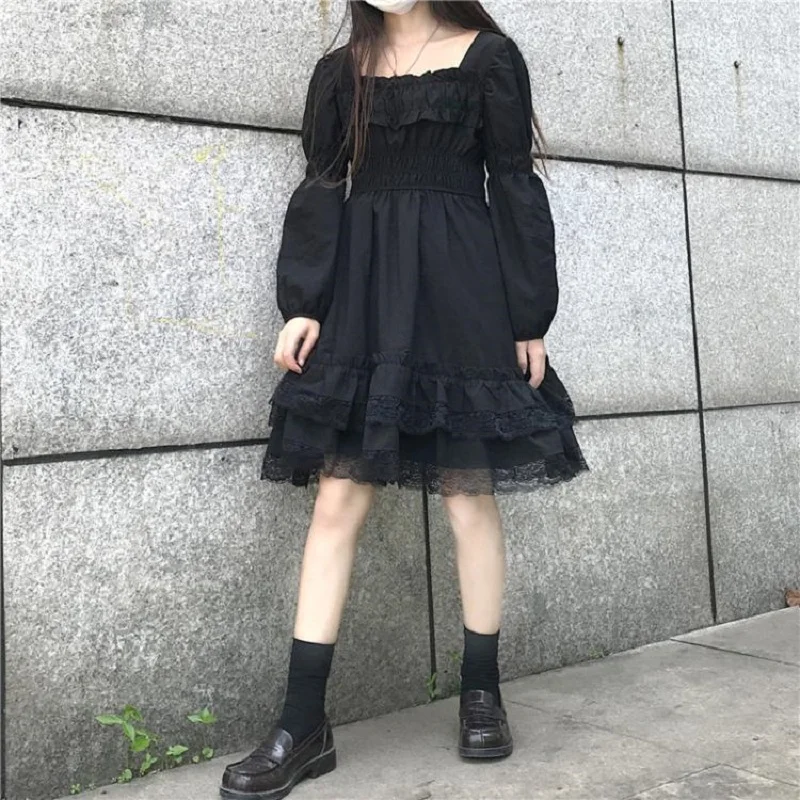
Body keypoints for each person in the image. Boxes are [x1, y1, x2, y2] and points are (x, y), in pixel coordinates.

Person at [220, 1, 589, 797]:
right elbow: (323, 186)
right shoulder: (338, 73)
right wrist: (303, 303)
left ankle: (482, 692)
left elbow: (513, 184)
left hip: (462, 290)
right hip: (365, 291)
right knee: (336, 499)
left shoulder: (488, 58)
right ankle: (301, 722)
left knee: (467, 493)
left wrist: (529, 315)